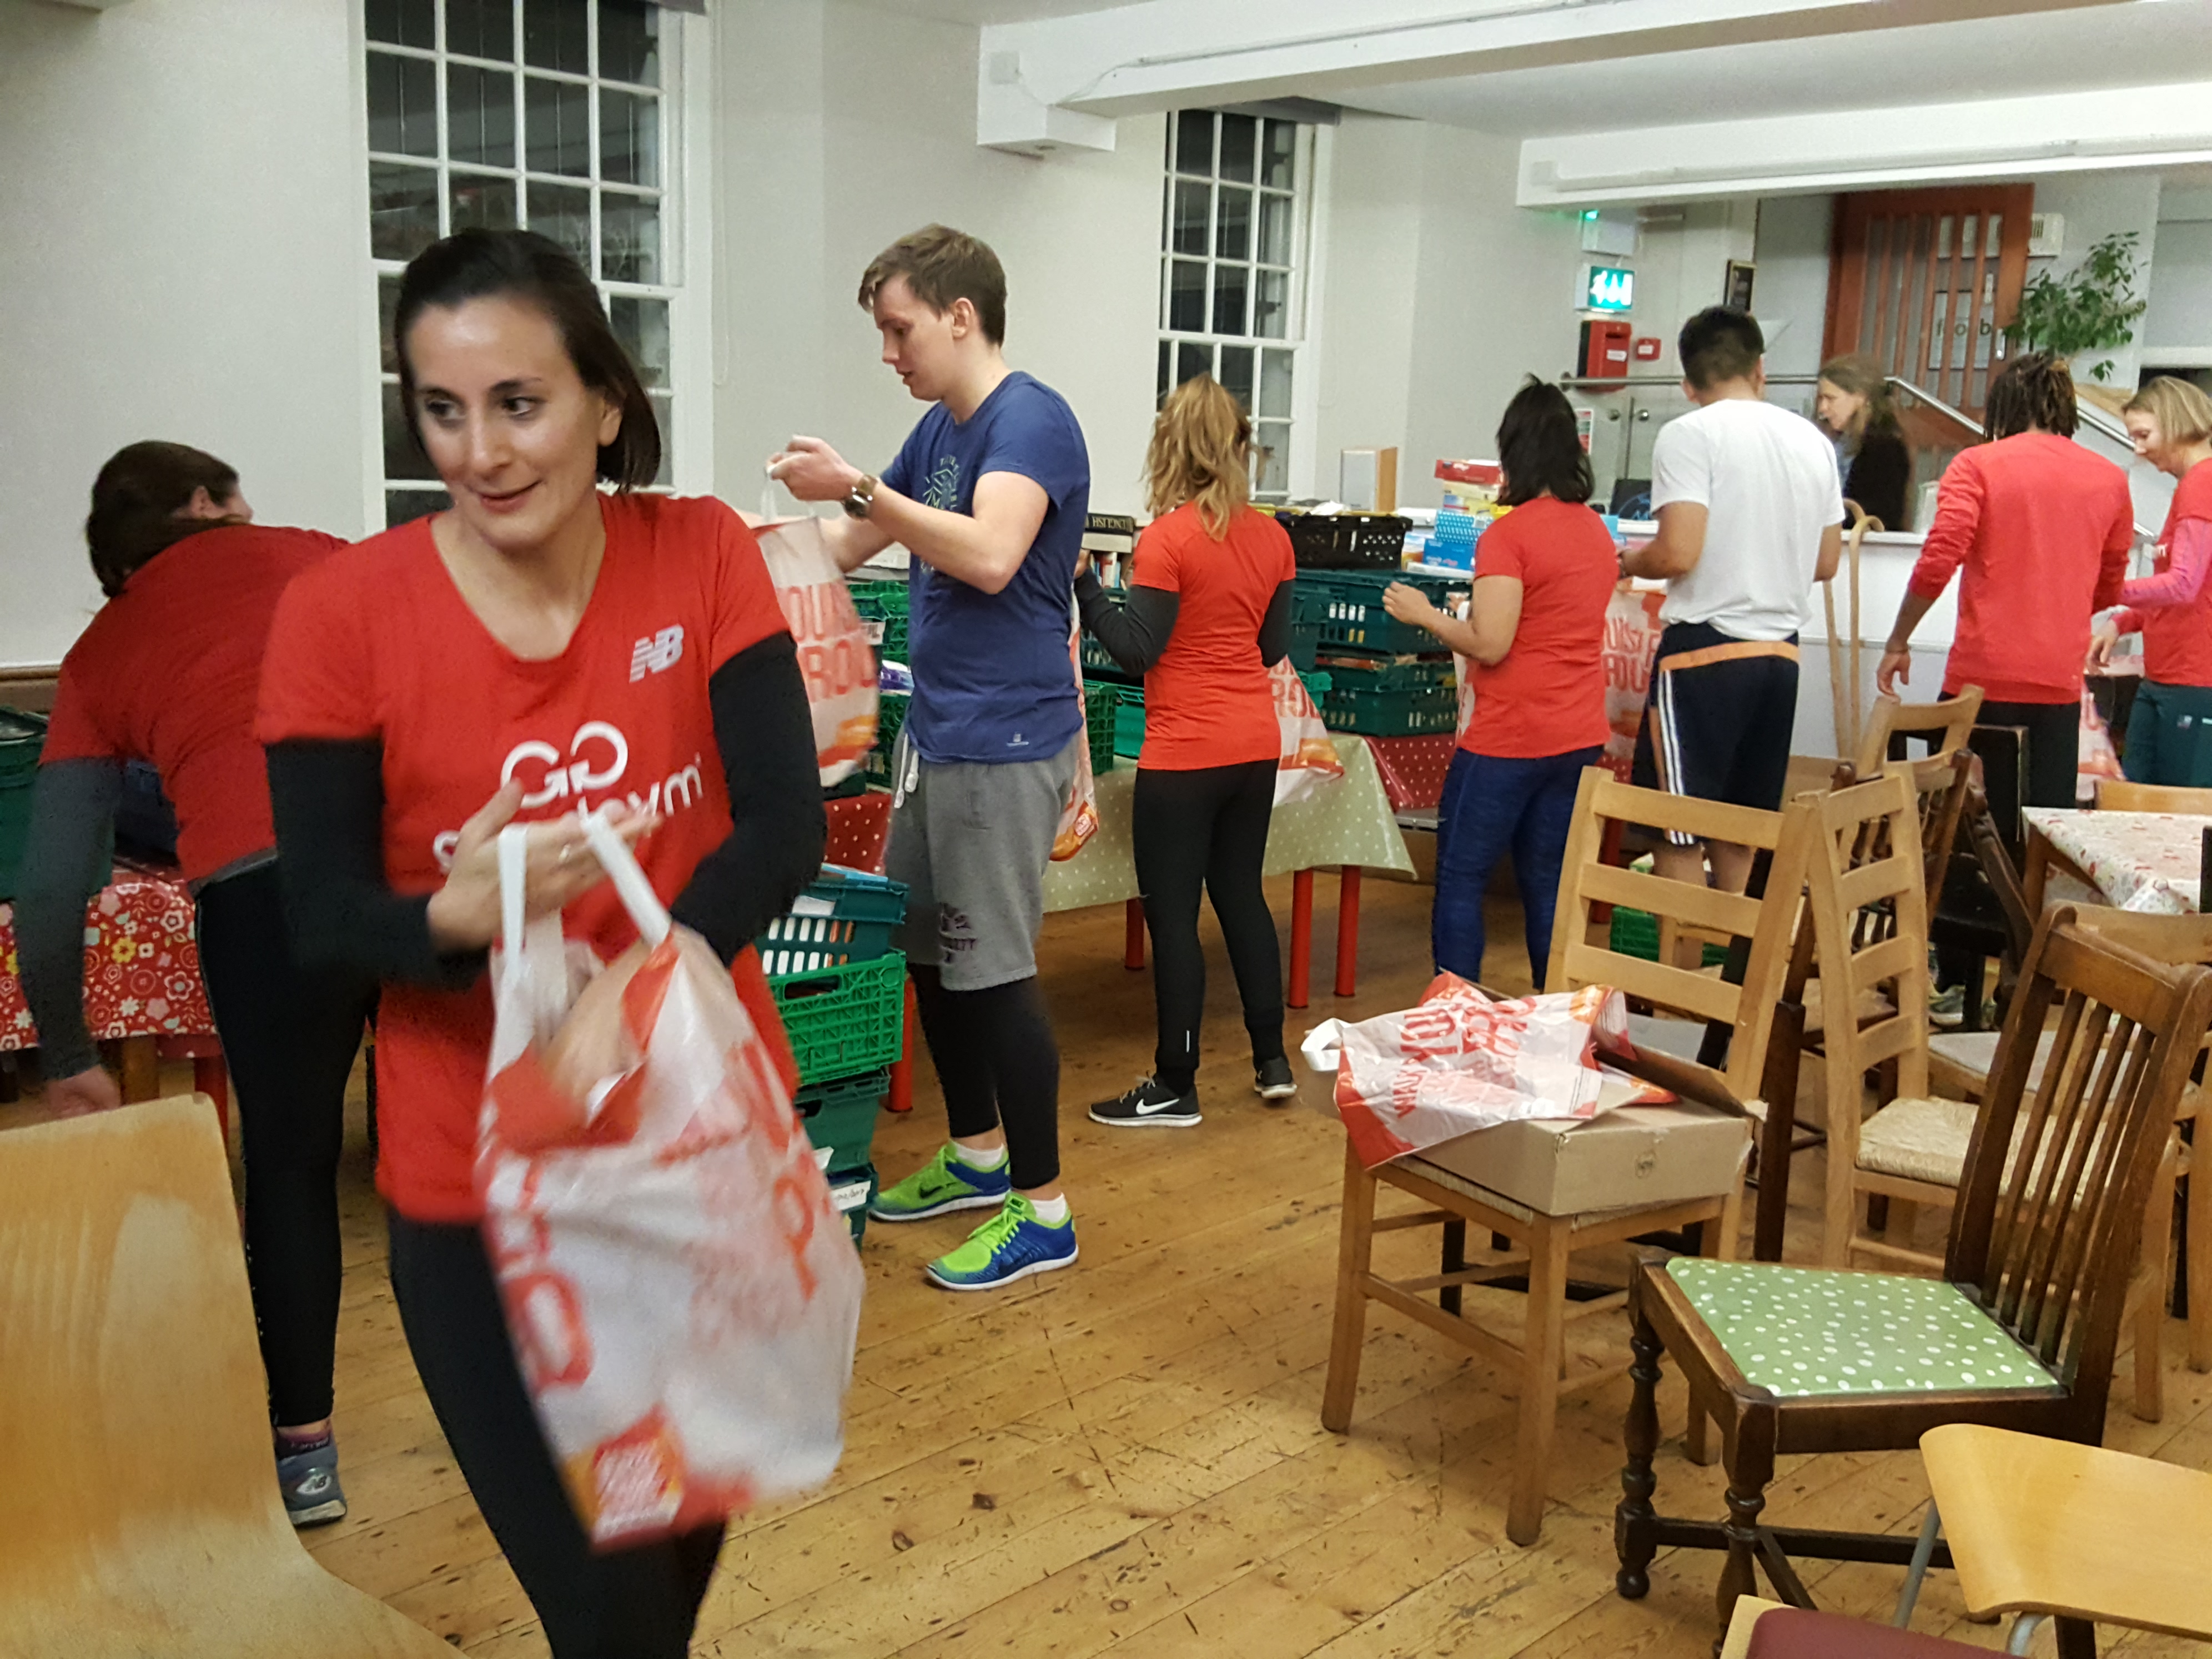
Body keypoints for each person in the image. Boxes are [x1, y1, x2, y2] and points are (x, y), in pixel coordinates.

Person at [256, 229, 823, 1658]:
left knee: (676, 1548)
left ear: (605, 401)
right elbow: (315, 918)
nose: (480, 450)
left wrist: (635, 984)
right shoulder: (340, 615)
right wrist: (450, 916)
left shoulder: (698, 551)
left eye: (520, 401)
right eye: (441, 409)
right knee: (608, 1604)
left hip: (696, 1146)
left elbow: (784, 825)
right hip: (480, 1183)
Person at [14, 442, 373, 1528]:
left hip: (263, 906)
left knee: (293, 1166)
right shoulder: (316, 557)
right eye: (238, 497)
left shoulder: (100, 653)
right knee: (478, 1127)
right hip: (420, 861)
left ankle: (305, 1453)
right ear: (206, 504)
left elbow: (50, 884)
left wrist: (71, 1057)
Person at [767, 225, 1088, 1291]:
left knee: (992, 973)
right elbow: (843, 549)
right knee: (921, 951)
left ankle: (1042, 1211)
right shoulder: (938, 437)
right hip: (941, 734)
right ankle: (977, 1154)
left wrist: (855, 486)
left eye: (899, 328)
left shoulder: (1029, 421)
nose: (888, 353)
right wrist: (719, 552)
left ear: (960, 315)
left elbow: (992, 555)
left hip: (1006, 741)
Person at [1072, 375, 1295, 1129]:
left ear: (1171, 447)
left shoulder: (1165, 540)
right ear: (1239, 448)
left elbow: (1137, 651)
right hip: (1254, 747)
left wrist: (1086, 589)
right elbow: (1271, 648)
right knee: (1241, 895)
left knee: (1174, 918)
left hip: (1183, 755)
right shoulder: (1274, 538)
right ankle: (1272, 1060)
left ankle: (1176, 1082)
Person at [1384, 379, 1615, 986]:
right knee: (1548, 888)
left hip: (1509, 737)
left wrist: (1426, 615)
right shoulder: (1596, 532)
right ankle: (1552, 1024)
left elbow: (1492, 642)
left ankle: (1456, 1022)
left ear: (1514, 452)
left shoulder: (1508, 537)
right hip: (1578, 735)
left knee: (1461, 878)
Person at [1622, 308, 1844, 893]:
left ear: (1688, 383)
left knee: (1679, 829)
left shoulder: (1688, 435)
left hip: (1705, 653)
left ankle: (1682, 978)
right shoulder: (1813, 442)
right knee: (1740, 828)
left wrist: (1625, 561)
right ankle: (1734, 977)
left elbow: (1676, 553)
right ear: (1760, 369)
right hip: (1781, 656)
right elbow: (1826, 563)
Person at [1877, 352, 2133, 808]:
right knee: (2042, 828)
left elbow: (1939, 560)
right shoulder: (2110, 479)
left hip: (1979, 680)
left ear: (2004, 406)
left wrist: (1899, 640)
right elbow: (2111, 584)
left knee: (1955, 828)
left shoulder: (1977, 464)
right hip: (2058, 681)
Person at [2092, 376, 2212, 786]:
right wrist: (2122, 620)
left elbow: (2184, 585)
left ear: (2176, 423)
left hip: (2194, 678)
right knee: (2132, 796)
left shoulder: (2203, 483)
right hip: (2165, 674)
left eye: (2144, 435)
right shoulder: (2190, 487)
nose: (2138, 448)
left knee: (2177, 812)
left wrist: (2104, 590)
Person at [1815, 353, 1913, 530]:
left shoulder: (1885, 448)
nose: (1823, 408)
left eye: (1831, 399)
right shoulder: (1836, 441)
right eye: (1821, 399)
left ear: (1860, 397)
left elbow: (1882, 511)